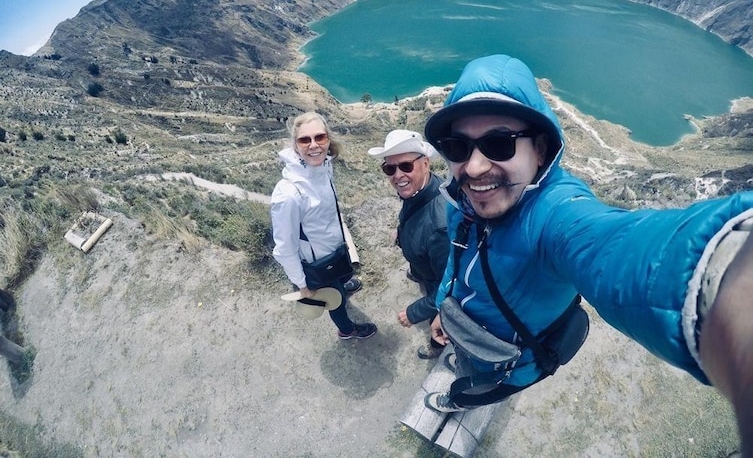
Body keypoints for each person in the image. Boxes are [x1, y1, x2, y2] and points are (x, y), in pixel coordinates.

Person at [420, 54, 753, 454]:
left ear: (540, 149)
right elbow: (456, 266)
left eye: (498, 143)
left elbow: (616, 247)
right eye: (458, 146)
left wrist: (724, 273)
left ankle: (457, 400)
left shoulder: (555, 213)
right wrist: (442, 306)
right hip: (465, 332)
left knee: (481, 389)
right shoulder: (463, 199)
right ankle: (463, 372)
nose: (473, 167)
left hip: (511, 359)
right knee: (467, 364)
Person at [270, 111, 377, 340]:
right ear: (295, 145)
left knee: (337, 283)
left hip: (332, 252)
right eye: (304, 140)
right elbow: (284, 249)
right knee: (334, 302)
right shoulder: (289, 193)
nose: (313, 145)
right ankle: (347, 330)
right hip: (317, 264)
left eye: (320, 137)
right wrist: (302, 285)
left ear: (328, 139)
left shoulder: (322, 168)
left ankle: (339, 285)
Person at [368, 130, 449, 359]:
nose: (397, 175)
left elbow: (449, 286)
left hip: (436, 282)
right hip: (425, 269)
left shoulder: (440, 227)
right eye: (389, 168)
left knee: (441, 321)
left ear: (425, 163)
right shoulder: (420, 191)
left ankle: (437, 347)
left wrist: (414, 312)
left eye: (405, 166)